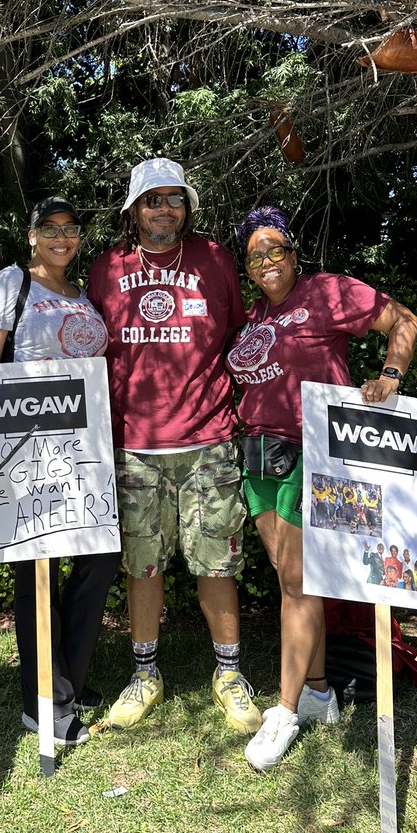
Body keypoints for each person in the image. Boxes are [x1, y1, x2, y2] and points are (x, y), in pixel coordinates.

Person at [226, 204, 417, 771]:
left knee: (299, 584)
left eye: (275, 249)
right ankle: (317, 693)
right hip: (261, 455)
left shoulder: (327, 291)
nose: (266, 261)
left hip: (317, 452)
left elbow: (404, 319)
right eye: (255, 255)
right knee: (293, 580)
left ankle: (283, 712)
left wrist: (390, 375)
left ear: (293, 251)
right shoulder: (257, 314)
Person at [87, 158, 260, 736]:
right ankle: (144, 676)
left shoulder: (215, 260)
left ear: (187, 207)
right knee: (143, 564)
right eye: (152, 199)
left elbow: (239, 338)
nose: (165, 209)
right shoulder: (106, 269)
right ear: (133, 210)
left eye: (174, 198)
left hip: (207, 437)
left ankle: (231, 677)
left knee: (217, 560)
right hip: (134, 443)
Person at [0, 197, 118, 747]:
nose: (60, 238)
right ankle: (43, 700)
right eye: (49, 229)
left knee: (101, 555)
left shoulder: (86, 295)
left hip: (83, 446)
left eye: (70, 230)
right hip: (22, 443)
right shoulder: (11, 282)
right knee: (38, 571)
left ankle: (66, 679)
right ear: (31, 236)